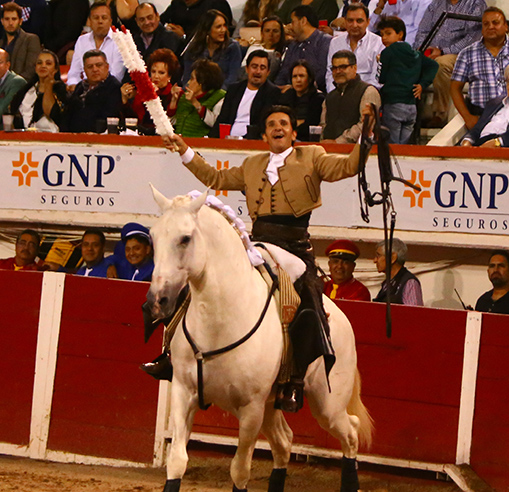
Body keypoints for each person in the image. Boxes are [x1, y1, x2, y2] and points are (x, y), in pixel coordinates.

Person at [157, 105, 366, 411]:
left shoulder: (313, 156)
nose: (277, 128)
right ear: (265, 134)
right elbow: (214, 176)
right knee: (198, 284)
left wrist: (365, 140)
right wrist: (185, 150)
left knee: (309, 303)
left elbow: (347, 167)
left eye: (284, 123)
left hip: (294, 249)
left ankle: (295, 381)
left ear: (294, 132)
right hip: (257, 245)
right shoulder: (252, 164)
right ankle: (169, 355)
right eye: (271, 125)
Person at [450, 7, 509, 131]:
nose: (490, 27)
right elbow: (455, 88)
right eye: (486, 24)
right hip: (481, 117)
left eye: (495, 23)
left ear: (506, 26)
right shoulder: (467, 54)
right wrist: (468, 118)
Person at [413, 0, 487, 128]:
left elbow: (473, 38)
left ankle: (440, 114)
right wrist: (424, 48)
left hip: (461, 55)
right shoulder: (436, 4)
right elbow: (422, 31)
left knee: (440, 64)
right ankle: (410, 115)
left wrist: (442, 51)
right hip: (432, 52)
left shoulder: (475, 4)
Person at [377, 16, 438, 144]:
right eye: (382, 34)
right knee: (405, 145)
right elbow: (433, 65)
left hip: (393, 103)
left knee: (392, 145)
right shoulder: (415, 53)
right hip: (411, 106)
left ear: (400, 34)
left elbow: (381, 78)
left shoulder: (387, 53)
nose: (384, 38)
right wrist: (422, 84)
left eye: (388, 33)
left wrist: (379, 62)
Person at [459, 61, 509, 147]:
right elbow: (477, 129)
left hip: (505, 148)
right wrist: (467, 141)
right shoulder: (494, 103)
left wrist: (497, 142)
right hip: (479, 145)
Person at [211, 50, 282, 138]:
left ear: (268, 72)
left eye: (262, 68)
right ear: (247, 69)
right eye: (254, 66)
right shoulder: (234, 89)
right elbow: (222, 119)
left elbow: (263, 125)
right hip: (227, 139)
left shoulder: (272, 92)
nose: (258, 71)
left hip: (252, 141)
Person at [321, 49, 382, 142]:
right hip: (328, 151)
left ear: (355, 68)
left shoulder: (368, 91)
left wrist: (339, 142)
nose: (338, 71)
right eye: (334, 68)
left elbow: (365, 125)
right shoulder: (330, 96)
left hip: (357, 152)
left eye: (343, 67)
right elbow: (323, 125)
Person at [66, 1, 125, 91]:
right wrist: (75, 86)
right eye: (96, 18)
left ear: (110, 21)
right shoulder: (82, 40)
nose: (100, 21)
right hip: (84, 91)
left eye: (104, 18)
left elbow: (116, 76)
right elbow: (74, 73)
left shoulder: (120, 40)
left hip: (109, 91)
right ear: (90, 21)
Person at [326, 4, 385, 93]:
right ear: (345, 21)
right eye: (350, 20)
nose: (354, 25)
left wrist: (357, 95)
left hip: (367, 94)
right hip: (339, 93)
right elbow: (330, 74)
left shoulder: (378, 43)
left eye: (359, 21)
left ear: (368, 22)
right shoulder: (335, 42)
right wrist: (334, 95)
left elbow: (377, 79)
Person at [181, 9, 242, 90]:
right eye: (218, 27)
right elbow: (187, 79)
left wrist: (214, 95)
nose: (223, 30)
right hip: (197, 93)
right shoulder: (194, 49)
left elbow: (233, 79)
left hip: (223, 94)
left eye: (224, 25)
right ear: (207, 30)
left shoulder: (232, 47)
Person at [123, 49, 180, 135]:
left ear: (169, 76)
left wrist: (153, 96)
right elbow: (133, 120)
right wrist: (125, 101)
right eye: (153, 72)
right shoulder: (141, 92)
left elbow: (168, 123)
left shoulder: (174, 94)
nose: (156, 76)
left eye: (161, 73)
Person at [64, 50, 123, 133]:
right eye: (90, 66)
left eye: (99, 65)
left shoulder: (114, 87)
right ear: (84, 70)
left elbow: (109, 117)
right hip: (73, 137)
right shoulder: (80, 87)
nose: (95, 69)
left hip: (98, 137)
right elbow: (68, 114)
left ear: (107, 67)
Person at [10, 49, 68, 131]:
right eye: (39, 63)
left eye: (48, 63)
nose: (43, 66)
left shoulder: (60, 90)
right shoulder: (27, 90)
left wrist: (49, 85)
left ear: (55, 69)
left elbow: (51, 113)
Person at [276, 5, 331, 87]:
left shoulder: (325, 42)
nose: (290, 26)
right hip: (289, 94)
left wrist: (298, 87)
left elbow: (322, 73)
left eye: (293, 22)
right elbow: (283, 73)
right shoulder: (293, 45)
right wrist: (277, 88)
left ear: (303, 21)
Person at [172, 58, 226, 137]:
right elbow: (172, 123)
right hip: (179, 143)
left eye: (192, 78)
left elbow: (216, 123)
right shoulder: (184, 97)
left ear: (202, 82)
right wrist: (173, 101)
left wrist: (195, 103)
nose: (188, 82)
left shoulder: (219, 97)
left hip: (202, 145)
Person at [0, 1, 43, 82]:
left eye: (14, 19)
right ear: (2, 21)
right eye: (7, 19)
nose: (10, 23)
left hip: (22, 87)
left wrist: (12, 84)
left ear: (20, 21)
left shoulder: (31, 39)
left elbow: (31, 70)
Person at [279, 60, 324, 141]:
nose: (298, 80)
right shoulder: (287, 96)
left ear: (309, 78)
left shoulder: (318, 98)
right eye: (294, 76)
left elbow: (310, 126)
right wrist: (299, 122)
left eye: (302, 76)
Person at [372, 238, 422, 306]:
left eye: (378, 256)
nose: (375, 260)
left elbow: (414, 314)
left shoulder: (410, 283)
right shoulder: (387, 283)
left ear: (393, 258)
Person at [133, 3, 183, 70]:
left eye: (150, 18)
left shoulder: (170, 38)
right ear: (137, 21)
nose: (147, 22)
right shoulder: (133, 41)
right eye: (142, 19)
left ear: (157, 16)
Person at [160, 0, 234, 43]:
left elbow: (226, 31)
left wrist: (185, 36)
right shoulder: (177, 3)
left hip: (204, 48)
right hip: (177, 47)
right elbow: (160, 20)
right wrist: (167, 28)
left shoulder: (217, 3)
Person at [239, 16, 287, 83]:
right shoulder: (254, 48)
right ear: (262, 33)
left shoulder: (286, 51)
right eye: (267, 31)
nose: (271, 34)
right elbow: (243, 71)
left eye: (275, 31)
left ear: (281, 33)